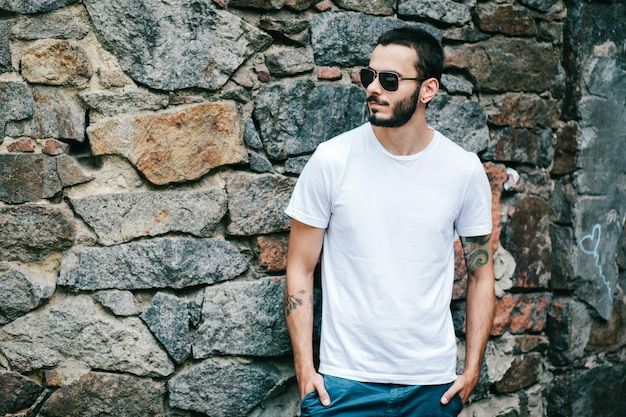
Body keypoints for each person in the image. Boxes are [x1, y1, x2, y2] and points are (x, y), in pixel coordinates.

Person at [284, 26, 495, 417]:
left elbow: (482, 273)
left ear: (427, 90)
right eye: (369, 76)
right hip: (343, 385)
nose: (373, 88)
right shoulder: (332, 161)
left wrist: (472, 369)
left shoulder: (463, 171)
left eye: (389, 80)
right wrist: (305, 369)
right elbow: (300, 266)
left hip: (432, 387)